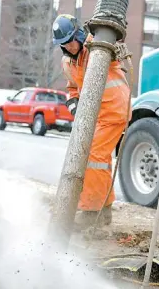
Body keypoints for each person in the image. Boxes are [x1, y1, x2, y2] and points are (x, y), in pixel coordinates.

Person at [52, 14, 131, 228]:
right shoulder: (68, 62)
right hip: (96, 115)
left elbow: (112, 46)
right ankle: (103, 212)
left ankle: (90, 213)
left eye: (70, 40)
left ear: (78, 34)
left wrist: (116, 47)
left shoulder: (97, 48)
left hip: (114, 110)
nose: (69, 46)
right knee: (100, 161)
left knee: (92, 156)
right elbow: (71, 88)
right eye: (63, 44)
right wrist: (73, 104)